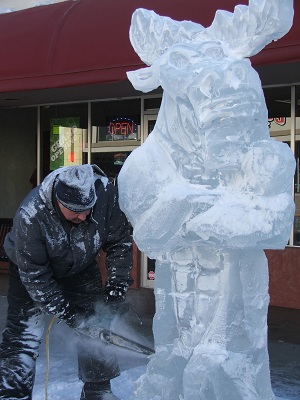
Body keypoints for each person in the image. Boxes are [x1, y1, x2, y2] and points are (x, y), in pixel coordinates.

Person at [0, 164, 133, 400]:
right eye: (74, 212)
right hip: (30, 268)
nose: (83, 216)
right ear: (58, 202)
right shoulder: (31, 215)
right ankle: (14, 395)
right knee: (23, 335)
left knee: (97, 323)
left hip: (80, 264)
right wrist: (70, 314)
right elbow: (37, 279)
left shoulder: (105, 195)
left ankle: (98, 391)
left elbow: (119, 243)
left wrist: (116, 288)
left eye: (87, 210)